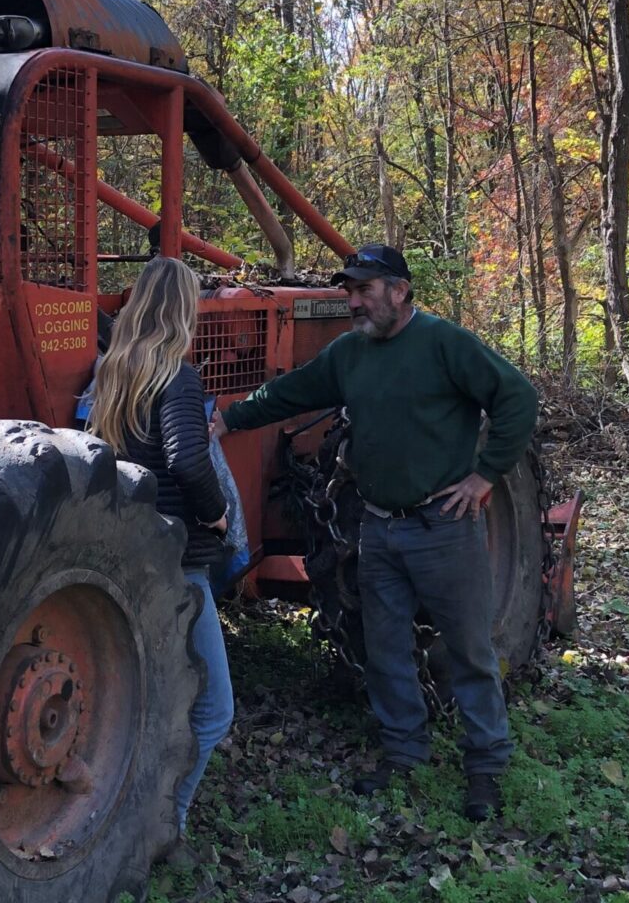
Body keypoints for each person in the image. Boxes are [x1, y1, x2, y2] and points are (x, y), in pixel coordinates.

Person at [211, 243, 537, 821]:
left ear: (399, 291)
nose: (354, 301)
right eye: (350, 291)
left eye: (364, 290)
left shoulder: (443, 344)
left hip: (444, 529)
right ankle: (404, 751)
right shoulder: (350, 354)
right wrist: (228, 418)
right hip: (379, 530)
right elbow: (289, 393)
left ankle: (484, 766)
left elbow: (515, 397)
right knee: (387, 650)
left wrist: (485, 477)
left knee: (468, 650)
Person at [87, 255, 235, 858]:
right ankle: (161, 829)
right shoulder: (176, 377)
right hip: (181, 561)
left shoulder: (113, 374)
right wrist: (215, 513)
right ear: (182, 309)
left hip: (135, 556)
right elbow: (188, 459)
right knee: (214, 710)